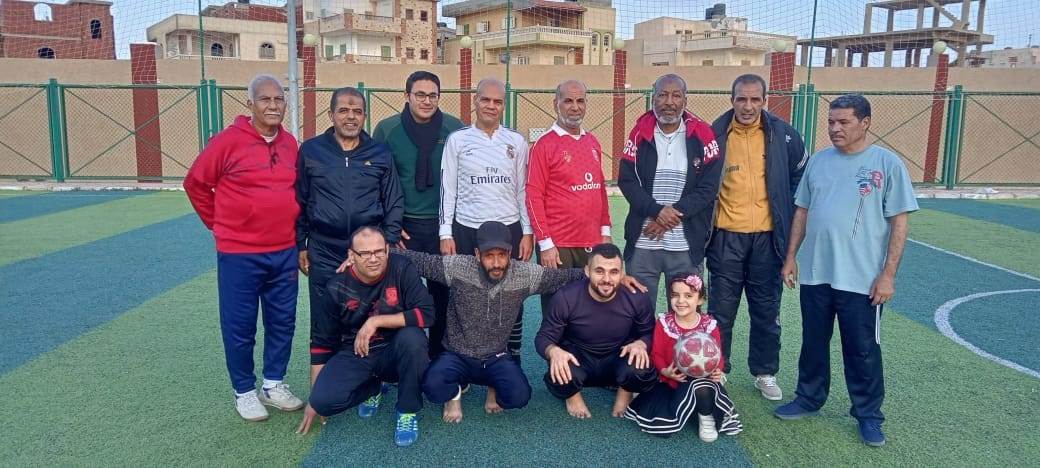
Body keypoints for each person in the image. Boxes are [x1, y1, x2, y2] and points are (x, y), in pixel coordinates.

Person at [774, 95, 919, 448]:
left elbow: (899, 223)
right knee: (813, 341)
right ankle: (808, 398)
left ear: (865, 123)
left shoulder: (887, 164)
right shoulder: (818, 162)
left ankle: (868, 415)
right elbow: (802, 211)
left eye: (844, 122)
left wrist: (888, 275)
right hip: (816, 273)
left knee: (862, 348)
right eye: (831, 122)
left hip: (863, 280)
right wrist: (791, 257)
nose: (835, 129)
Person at [183, 74, 304, 421]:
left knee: (283, 322)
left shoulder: (290, 144)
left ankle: (273, 384)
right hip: (239, 254)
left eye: (279, 99)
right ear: (249, 104)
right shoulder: (227, 142)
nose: (273, 105)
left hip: (283, 251)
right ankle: (244, 391)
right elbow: (195, 184)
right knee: (240, 325)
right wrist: (220, 225)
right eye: (265, 99)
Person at [392, 222, 595, 423]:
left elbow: (561, 277)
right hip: (456, 354)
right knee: (433, 387)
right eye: (489, 256)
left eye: (502, 255)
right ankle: (454, 395)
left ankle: (493, 386)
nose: (497, 263)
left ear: (510, 254)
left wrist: (592, 273)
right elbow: (422, 262)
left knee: (519, 396)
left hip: (495, 357)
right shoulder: (458, 267)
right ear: (477, 254)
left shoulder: (524, 275)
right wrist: (386, 252)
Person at [707, 74, 808, 401]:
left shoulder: (785, 135)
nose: (748, 106)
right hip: (726, 238)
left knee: (766, 310)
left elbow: (801, 179)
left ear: (765, 100)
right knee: (721, 311)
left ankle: (765, 372)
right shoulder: (714, 134)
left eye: (755, 99)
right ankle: (717, 369)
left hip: (767, 240)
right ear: (732, 99)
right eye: (742, 99)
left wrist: (785, 211)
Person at [296, 227, 434, 447]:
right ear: (351, 255)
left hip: (395, 351)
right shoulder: (336, 287)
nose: (373, 259)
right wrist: (315, 396)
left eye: (379, 251)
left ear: (387, 250)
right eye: (365, 253)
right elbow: (321, 344)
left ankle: (407, 410)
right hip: (356, 352)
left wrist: (375, 321)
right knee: (322, 401)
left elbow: (427, 313)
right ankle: (373, 387)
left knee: (413, 338)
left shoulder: (401, 268)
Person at [297, 88, 404, 369]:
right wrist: (301, 243)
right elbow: (300, 199)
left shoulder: (379, 152)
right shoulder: (311, 151)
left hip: (367, 253)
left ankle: (371, 376)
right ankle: (324, 381)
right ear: (331, 114)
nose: (350, 117)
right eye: (343, 110)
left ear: (365, 116)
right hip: (324, 248)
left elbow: (393, 200)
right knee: (324, 317)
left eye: (357, 111)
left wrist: (388, 240)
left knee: (367, 314)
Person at [440, 78, 533, 362]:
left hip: (509, 228)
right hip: (467, 228)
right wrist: (445, 233)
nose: (491, 106)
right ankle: (464, 358)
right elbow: (448, 188)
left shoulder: (516, 141)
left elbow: (523, 190)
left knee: (512, 293)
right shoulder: (457, 140)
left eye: (498, 101)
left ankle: (511, 355)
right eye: (486, 100)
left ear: (504, 105)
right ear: (475, 101)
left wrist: (527, 231)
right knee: (466, 295)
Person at [373, 71, 464, 357]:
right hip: (404, 229)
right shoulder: (387, 129)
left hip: (443, 229)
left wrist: (452, 227)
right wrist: (390, 223)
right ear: (407, 95)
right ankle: (402, 356)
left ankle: (440, 357)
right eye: (420, 95)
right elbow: (377, 180)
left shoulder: (454, 128)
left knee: (443, 295)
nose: (427, 101)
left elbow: (464, 177)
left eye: (432, 95)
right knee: (399, 295)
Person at [618, 74, 722, 307]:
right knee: (638, 313)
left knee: (685, 315)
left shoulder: (703, 135)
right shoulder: (639, 134)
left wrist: (669, 217)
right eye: (662, 95)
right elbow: (627, 181)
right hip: (643, 244)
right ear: (653, 98)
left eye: (676, 95)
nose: (669, 102)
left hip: (686, 247)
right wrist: (656, 211)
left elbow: (708, 188)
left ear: (685, 100)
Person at [536, 243, 657, 419]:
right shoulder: (566, 297)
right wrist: (553, 351)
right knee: (559, 365)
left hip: (618, 358)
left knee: (641, 365)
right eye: (599, 271)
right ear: (587, 271)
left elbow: (650, 332)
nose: (606, 279)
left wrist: (642, 343)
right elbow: (543, 337)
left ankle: (625, 393)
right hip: (579, 359)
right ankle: (573, 396)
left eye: (613, 272)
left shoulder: (636, 297)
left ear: (622, 273)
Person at [525, 79, 612, 314]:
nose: (575, 107)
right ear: (556, 104)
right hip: (558, 245)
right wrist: (545, 244)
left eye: (580, 101)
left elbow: (599, 190)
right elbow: (533, 196)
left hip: (592, 242)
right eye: (568, 101)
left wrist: (605, 232)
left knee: (591, 310)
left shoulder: (592, 142)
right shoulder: (544, 145)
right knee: (558, 311)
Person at [623, 274, 743, 441]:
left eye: (688, 296)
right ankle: (686, 407)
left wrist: (718, 369)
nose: (680, 301)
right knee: (662, 428)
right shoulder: (664, 323)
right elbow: (656, 353)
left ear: (700, 299)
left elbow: (717, 355)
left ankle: (706, 417)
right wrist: (665, 371)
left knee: (701, 385)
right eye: (675, 295)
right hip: (671, 381)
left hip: (701, 380)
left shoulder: (709, 325)